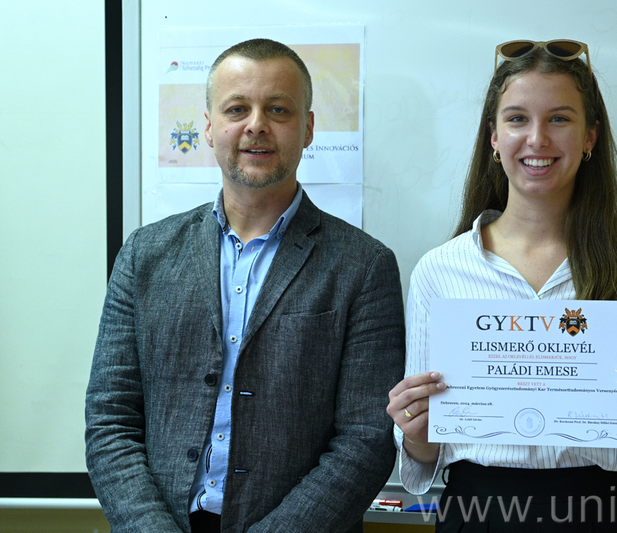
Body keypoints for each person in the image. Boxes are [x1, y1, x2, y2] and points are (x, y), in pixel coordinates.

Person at [388, 39, 617, 531]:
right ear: (494, 137)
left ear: (590, 136)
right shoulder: (439, 271)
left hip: (608, 514)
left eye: (559, 119)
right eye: (517, 119)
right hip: (478, 514)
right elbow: (425, 448)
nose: (537, 139)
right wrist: (415, 431)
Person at [85, 38, 405, 533]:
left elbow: (366, 438)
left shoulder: (364, 266)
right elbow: (111, 421)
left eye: (278, 109)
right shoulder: (144, 255)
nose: (256, 125)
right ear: (209, 127)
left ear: (308, 128)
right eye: (237, 109)